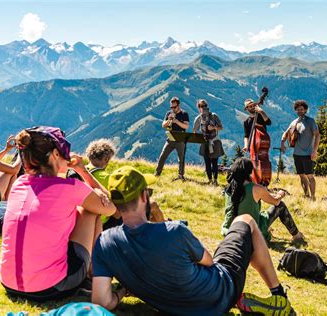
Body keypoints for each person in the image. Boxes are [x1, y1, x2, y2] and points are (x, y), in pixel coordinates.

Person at [91, 166, 293, 315]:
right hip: (221, 293)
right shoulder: (175, 231)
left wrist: (123, 291)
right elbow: (208, 261)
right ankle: (278, 295)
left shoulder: (103, 244)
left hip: (172, 307)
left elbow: (101, 301)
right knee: (246, 221)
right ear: (145, 197)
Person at [0, 126, 116, 302]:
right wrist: (83, 171)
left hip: (9, 283)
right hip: (50, 287)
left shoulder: (20, 183)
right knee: (91, 211)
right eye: (63, 151)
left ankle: (87, 274)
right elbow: (111, 209)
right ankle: (92, 275)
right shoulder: (69, 188)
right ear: (55, 154)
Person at [221, 157, 305, 244]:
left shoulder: (230, 188)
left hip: (229, 231)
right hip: (251, 232)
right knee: (280, 206)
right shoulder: (256, 188)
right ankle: (296, 235)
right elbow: (276, 201)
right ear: (249, 172)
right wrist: (280, 194)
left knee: (260, 213)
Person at [281, 100, 320, 200]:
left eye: (302, 109)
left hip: (308, 153)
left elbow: (317, 135)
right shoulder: (294, 122)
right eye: (298, 109)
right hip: (297, 154)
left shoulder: (310, 121)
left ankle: (313, 196)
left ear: (305, 110)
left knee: (310, 176)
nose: (300, 111)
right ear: (296, 110)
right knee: (302, 176)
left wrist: (314, 150)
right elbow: (285, 133)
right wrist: (282, 143)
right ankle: (306, 195)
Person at [154, 97, 189, 180]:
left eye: (174, 107)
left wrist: (176, 121)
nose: (173, 109)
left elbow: (186, 126)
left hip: (180, 139)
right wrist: (169, 120)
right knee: (162, 156)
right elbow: (163, 125)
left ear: (178, 105)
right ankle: (157, 173)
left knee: (181, 158)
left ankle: (181, 175)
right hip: (170, 138)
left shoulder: (184, 114)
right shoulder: (169, 113)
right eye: (171, 107)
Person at [192, 99, 224, 185]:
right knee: (207, 162)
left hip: (215, 141)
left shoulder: (213, 116)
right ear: (198, 108)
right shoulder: (198, 118)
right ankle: (210, 180)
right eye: (200, 106)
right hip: (204, 142)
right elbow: (194, 131)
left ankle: (215, 180)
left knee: (214, 162)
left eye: (204, 106)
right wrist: (200, 136)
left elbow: (221, 127)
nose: (202, 108)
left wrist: (214, 128)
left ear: (207, 107)